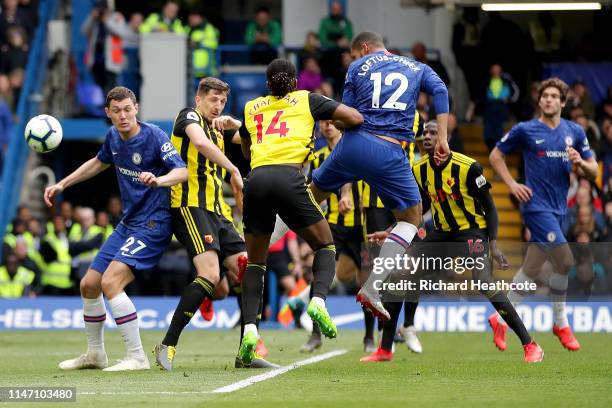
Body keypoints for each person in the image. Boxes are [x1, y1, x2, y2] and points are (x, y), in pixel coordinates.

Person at [363, 120, 544, 363]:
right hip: (443, 234)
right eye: (424, 133)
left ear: (444, 137)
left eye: (433, 132)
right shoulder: (418, 170)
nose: (427, 136)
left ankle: (530, 344)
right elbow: (419, 209)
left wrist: (493, 244)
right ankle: (386, 348)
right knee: (398, 276)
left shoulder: (467, 167)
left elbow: (490, 208)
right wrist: (392, 230)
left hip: (472, 233)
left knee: (484, 283)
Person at [309, 31, 450, 319]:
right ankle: (372, 288)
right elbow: (441, 92)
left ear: (362, 48)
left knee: (308, 196)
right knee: (412, 217)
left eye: (356, 55)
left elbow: (349, 117)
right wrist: (444, 137)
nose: (357, 60)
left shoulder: (356, 67)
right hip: (390, 153)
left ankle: (258, 247)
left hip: (353, 146)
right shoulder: (417, 67)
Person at [45, 86, 187, 371]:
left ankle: (137, 357)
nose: (123, 116)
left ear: (136, 108)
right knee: (89, 285)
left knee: (111, 283)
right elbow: (97, 163)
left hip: (154, 223)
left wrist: (159, 181)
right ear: (108, 113)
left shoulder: (154, 137)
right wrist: (62, 184)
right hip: (129, 224)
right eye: (117, 111)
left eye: (128, 109)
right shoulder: (112, 138)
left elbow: (182, 171)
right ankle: (95, 354)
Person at [237, 58, 363, 365]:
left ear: (267, 85)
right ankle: (318, 300)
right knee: (325, 245)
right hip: (289, 178)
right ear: (295, 82)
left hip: (255, 180)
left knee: (255, 262)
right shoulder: (308, 99)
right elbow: (355, 118)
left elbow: (245, 146)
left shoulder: (252, 106)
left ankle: (251, 330)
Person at [152, 77, 276, 370]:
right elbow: (198, 142)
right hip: (190, 206)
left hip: (219, 211)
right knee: (208, 275)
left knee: (250, 270)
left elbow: (254, 141)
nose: (217, 106)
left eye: (222, 101)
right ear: (199, 99)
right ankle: (167, 345)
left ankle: (246, 351)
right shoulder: (188, 117)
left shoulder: (219, 128)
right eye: (212, 100)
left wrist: (240, 124)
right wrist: (233, 168)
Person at [489, 78, 599, 352]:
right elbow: (495, 156)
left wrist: (580, 163)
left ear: (562, 102)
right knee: (565, 260)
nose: (548, 99)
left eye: (554, 96)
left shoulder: (575, 131)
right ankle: (560, 322)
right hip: (535, 206)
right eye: (544, 95)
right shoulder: (526, 129)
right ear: (539, 101)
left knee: (531, 268)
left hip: (559, 208)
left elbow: (594, 171)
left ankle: (500, 317)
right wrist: (513, 185)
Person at [300, 119, 368, 353]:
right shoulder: (317, 157)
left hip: (362, 227)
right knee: (319, 276)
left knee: (365, 282)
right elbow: (309, 194)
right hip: (331, 227)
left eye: (332, 123)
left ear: (340, 126)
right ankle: (315, 334)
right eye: (324, 123)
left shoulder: (357, 152)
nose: (328, 126)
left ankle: (370, 337)